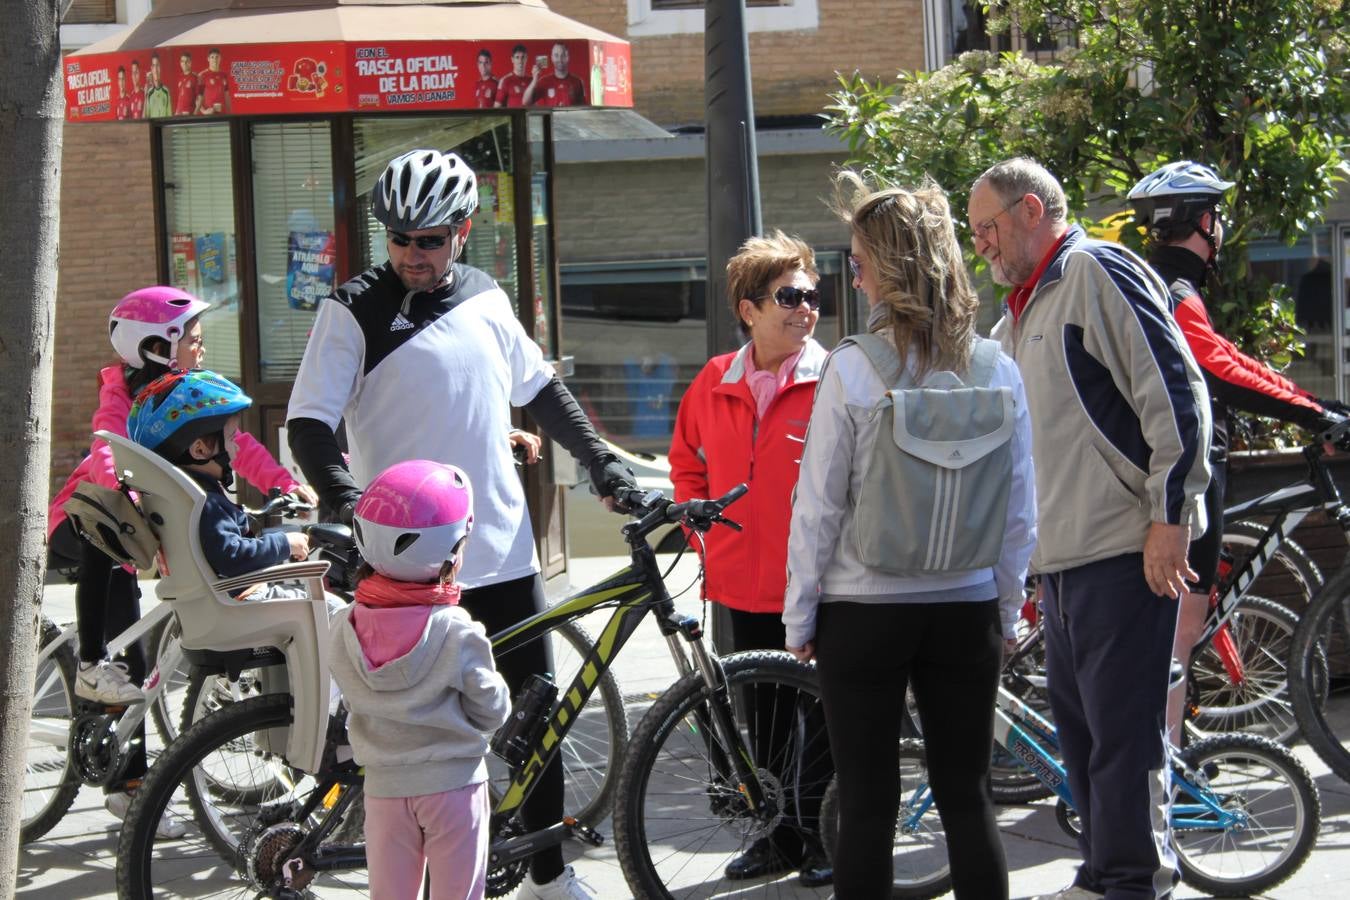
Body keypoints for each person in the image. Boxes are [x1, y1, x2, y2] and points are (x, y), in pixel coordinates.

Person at [286, 148, 632, 899]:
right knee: (397, 727)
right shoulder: (351, 310)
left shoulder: (486, 297)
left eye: (431, 239)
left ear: (463, 231)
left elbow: (541, 391)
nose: (413, 254)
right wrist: (348, 504)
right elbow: (309, 424)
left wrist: (601, 461)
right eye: (400, 239)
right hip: (406, 563)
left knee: (535, 716)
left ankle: (547, 874)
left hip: (502, 551)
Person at [783, 175, 1036, 899]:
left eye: (858, 261)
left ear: (887, 269)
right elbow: (1021, 507)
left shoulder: (856, 367)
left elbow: (819, 506)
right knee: (968, 795)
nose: (852, 275)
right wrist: (1006, 602)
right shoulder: (998, 367)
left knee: (867, 805)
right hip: (965, 608)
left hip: (863, 609)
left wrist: (801, 614)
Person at [969, 158, 1211, 900]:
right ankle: (1107, 874)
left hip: (1125, 550)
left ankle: (1135, 880)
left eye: (987, 227)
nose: (980, 244)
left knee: (1123, 739)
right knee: (1084, 741)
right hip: (1065, 562)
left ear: (1032, 210)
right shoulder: (1020, 310)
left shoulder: (1096, 271)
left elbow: (1176, 391)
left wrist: (1170, 519)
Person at [46, 287, 314, 829]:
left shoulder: (194, 397)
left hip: (143, 527)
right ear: (153, 346)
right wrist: (126, 483)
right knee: (128, 645)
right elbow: (106, 446)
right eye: (193, 340)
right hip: (96, 519)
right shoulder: (120, 392)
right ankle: (102, 696)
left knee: (152, 634)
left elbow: (242, 450)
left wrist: (286, 484)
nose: (201, 349)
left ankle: (116, 711)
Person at [1127, 160, 1348, 745]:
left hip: (1189, 468)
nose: (1219, 225)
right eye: (1216, 215)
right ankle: (1167, 779)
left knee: (1180, 622)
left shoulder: (1172, 289)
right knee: (1182, 627)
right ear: (1202, 221)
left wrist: (1314, 403)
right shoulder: (1173, 293)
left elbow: (1232, 359)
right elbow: (1219, 374)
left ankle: (1163, 761)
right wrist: (1315, 416)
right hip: (1192, 472)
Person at [668, 230, 833, 887]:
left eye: (812, 296)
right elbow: (686, 465)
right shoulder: (714, 380)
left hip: (818, 584)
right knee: (761, 731)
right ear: (749, 308)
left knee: (822, 723)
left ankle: (821, 838)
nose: (805, 309)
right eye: (789, 296)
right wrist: (702, 534)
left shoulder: (835, 376)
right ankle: (778, 840)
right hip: (737, 584)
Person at [328, 460, 511, 900]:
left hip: (384, 789)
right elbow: (493, 710)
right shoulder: (457, 630)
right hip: (454, 787)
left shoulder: (342, 626)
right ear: (449, 553)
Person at [127, 369, 310, 589]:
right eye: (232, 438)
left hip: (221, 606)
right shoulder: (206, 504)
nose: (237, 446)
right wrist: (285, 543)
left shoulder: (182, 498)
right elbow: (231, 555)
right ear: (199, 449)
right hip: (244, 606)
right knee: (333, 607)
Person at [523, 43, 586, 107]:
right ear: (552, 58)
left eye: (563, 55)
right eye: (556, 55)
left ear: (568, 57)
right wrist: (534, 80)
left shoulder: (577, 81)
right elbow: (526, 102)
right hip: (551, 117)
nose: (560, 59)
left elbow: (583, 107)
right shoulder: (544, 81)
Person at [196, 47, 229, 115]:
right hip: (210, 115)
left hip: (223, 114)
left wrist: (230, 113)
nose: (215, 59)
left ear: (220, 58)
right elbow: (195, 98)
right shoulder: (202, 75)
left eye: (217, 57)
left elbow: (227, 96)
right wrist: (204, 111)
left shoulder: (224, 75)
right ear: (208, 59)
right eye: (212, 57)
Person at [144, 53, 171, 119]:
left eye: (157, 65)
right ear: (151, 69)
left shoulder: (166, 91)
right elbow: (146, 117)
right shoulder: (149, 93)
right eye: (153, 66)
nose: (155, 70)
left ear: (160, 67)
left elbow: (170, 116)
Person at [172, 51, 198, 116]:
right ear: (180, 63)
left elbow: (199, 98)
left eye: (187, 61)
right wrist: (176, 112)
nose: (184, 63)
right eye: (182, 61)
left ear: (190, 63)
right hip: (179, 114)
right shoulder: (179, 77)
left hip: (189, 114)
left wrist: (195, 114)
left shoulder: (195, 78)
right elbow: (180, 97)